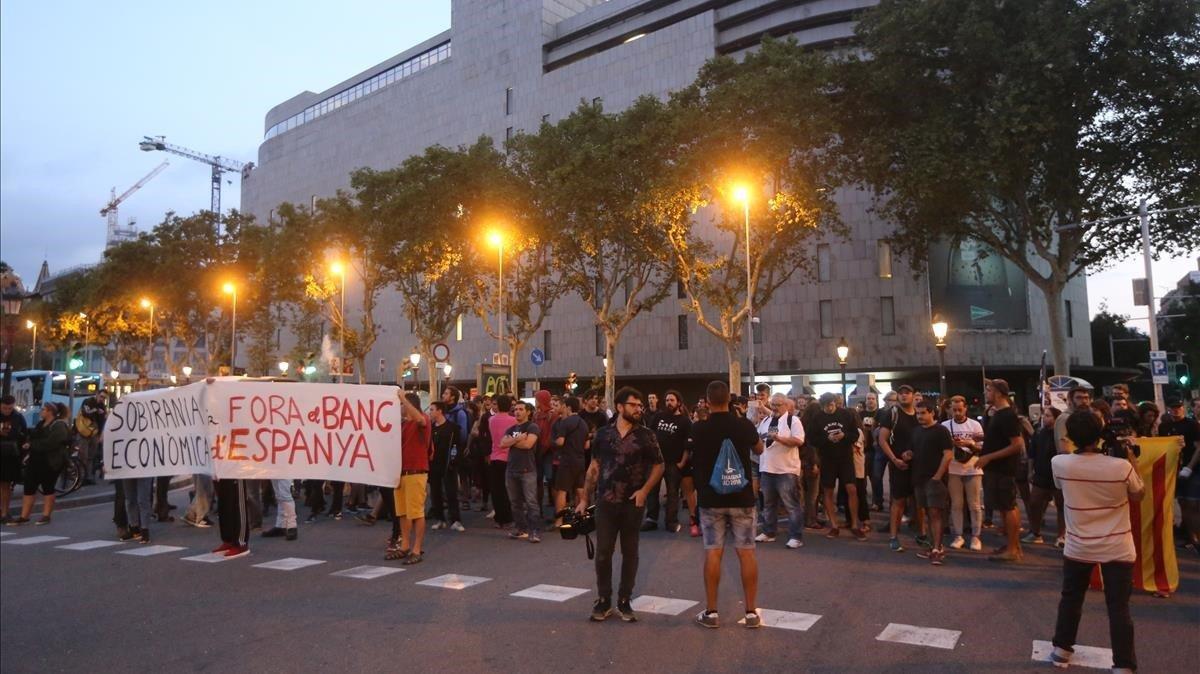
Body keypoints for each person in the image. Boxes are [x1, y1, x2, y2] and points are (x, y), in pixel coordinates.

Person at [1048, 410, 1143, 673]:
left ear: (1071, 436)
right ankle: (1123, 665)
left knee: (1071, 598)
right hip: (1118, 546)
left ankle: (1061, 650)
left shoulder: (1060, 463)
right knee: (1118, 607)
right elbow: (1139, 495)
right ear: (1100, 435)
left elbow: (1060, 486)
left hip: (1078, 544)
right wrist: (1130, 456)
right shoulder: (1121, 467)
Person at [578, 387, 663, 623]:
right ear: (619, 407)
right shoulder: (603, 435)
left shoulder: (647, 435)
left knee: (630, 552)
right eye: (633, 405)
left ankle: (625, 599)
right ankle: (604, 599)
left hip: (632, 503)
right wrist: (585, 498)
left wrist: (644, 491)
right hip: (605, 502)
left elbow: (659, 465)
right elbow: (594, 467)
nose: (638, 409)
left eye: (640, 405)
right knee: (603, 552)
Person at [691, 380, 765, 629]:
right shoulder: (742, 424)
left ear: (707, 401)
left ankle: (711, 612)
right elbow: (760, 448)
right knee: (746, 551)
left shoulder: (700, 428)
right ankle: (751, 612)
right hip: (742, 496)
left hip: (711, 499)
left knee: (713, 551)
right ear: (730, 401)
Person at [978, 379, 1026, 563]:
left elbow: (1016, 444)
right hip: (996, 469)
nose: (986, 393)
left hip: (1003, 469)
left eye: (988, 390)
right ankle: (1012, 546)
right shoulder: (998, 414)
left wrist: (988, 457)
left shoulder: (1007, 415)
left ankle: (1013, 549)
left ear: (998, 393)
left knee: (1008, 507)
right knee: (1005, 507)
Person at [808, 392, 866, 541]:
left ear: (835, 403)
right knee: (828, 491)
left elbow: (855, 434)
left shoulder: (845, 415)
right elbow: (812, 439)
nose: (830, 408)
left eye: (832, 405)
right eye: (827, 406)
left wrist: (844, 436)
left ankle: (854, 524)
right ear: (822, 406)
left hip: (845, 457)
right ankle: (834, 525)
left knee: (851, 489)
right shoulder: (818, 418)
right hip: (827, 458)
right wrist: (826, 438)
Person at [755, 393, 806, 549]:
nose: (775, 408)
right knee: (769, 504)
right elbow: (758, 439)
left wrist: (778, 438)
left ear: (786, 406)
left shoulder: (793, 421)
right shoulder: (766, 420)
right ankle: (769, 532)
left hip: (786, 470)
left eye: (778, 405)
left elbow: (799, 441)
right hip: (767, 468)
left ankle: (796, 536)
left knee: (791, 504)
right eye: (773, 404)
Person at [7, 402, 68, 527]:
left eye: (43, 409)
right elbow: (33, 436)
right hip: (35, 460)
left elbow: (52, 442)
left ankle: (46, 515)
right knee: (29, 487)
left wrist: (33, 444)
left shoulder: (59, 425)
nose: (41, 411)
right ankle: (24, 516)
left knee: (48, 487)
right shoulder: (41, 424)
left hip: (50, 461)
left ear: (50, 411)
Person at [388, 391, 431, 564]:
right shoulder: (403, 425)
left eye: (401, 406)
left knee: (417, 513)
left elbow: (419, 420)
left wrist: (403, 399)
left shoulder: (422, 419)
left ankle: (416, 548)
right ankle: (405, 545)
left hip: (416, 472)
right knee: (403, 513)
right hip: (401, 473)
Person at [909, 400, 954, 565]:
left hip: (934, 479)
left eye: (923, 413)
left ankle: (937, 549)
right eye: (917, 413)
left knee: (936, 513)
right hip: (919, 478)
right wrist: (908, 454)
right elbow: (914, 451)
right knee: (928, 513)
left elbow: (948, 455)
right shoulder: (916, 431)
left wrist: (937, 477)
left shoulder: (941, 431)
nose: (919, 416)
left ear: (932, 413)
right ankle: (933, 546)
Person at [879, 384, 920, 551]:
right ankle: (894, 536)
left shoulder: (920, 414)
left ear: (913, 395)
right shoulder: (892, 414)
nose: (903, 396)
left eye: (907, 393)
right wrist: (894, 459)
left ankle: (922, 533)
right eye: (901, 393)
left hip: (918, 464)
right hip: (899, 464)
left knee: (919, 501)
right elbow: (882, 440)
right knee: (898, 500)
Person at [942, 395, 985, 551]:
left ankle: (976, 536)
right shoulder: (945, 426)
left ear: (966, 408)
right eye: (954, 410)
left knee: (974, 505)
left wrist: (970, 444)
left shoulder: (975, 425)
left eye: (960, 409)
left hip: (973, 468)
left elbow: (982, 448)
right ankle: (958, 535)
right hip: (953, 468)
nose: (957, 413)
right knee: (956, 504)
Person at [645, 390, 692, 533]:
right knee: (652, 491)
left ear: (678, 402)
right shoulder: (659, 416)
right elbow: (650, 434)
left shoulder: (685, 421)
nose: (669, 403)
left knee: (672, 493)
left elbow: (688, 445)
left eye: (672, 400)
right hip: (657, 462)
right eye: (666, 400)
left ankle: (671, 521)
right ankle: (651, 519)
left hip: (674, 463)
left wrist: (682, 463)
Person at [1160, 398, 1199, 552]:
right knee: (1182, 503)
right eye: (1173, 407)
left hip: (1192, 469)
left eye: (1179, 407)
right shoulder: (1164, 427)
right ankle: (1190, 537)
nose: (1176, 410)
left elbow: (1199, 447)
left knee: (1193, 504)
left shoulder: (1192, 425)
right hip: (1172, 469)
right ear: (1168, 408)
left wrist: (1189, 467)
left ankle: (1196, 538)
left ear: (1183, 408)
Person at [1024, 406, 1064, 547]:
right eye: (1044, 415)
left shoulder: (1061, 435)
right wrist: (1030, 471)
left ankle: (1061, 535)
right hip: (1041, 475)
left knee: (1061, 507)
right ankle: (1035, 532)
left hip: (1058, 476)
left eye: (1048, 415)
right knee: (1034, 504)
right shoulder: (1039, 433)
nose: (1044, 418)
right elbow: (1032, 454)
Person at [503, 400, 542, 542]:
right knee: (515, 502)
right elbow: (502, 443)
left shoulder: (532, 427)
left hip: (527, 470)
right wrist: (518, 438)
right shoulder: (511, 429)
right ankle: (521, 529)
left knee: (531, 502)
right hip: (511, 469)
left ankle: (535, 531)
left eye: (520, 409)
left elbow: (528, 444)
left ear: (528, 412)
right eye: (515, 409)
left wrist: (512, 441)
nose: (517, 412)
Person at [552, 396, 589, 528]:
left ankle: (559, 521)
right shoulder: (584, 423)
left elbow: (560, 441)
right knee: (580, 490)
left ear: (568, 407)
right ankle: (581, 518)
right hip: (580, 460)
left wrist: (554, 442)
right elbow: (587, 445)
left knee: (562, 491)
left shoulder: (565, 423)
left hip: (567, 460)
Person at [427, 401, 465, 532]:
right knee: (435, 492)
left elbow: (457, 446)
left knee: (451, 492)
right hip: (433, 464)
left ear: (440, 411)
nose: (430, 412)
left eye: (432, 410)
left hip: (449, 464)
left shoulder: (453, 428)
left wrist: (454, 460)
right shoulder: (431, 428)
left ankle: (455, 520)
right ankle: (440, 519)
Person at [486, 395, 517, 530]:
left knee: (496, 488)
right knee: (509, 488)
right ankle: (509, 517)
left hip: (495, 456)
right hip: (509, 457)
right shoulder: (514, 420)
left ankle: (499, 518)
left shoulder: (491, 419)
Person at [0, 395, 30, 524]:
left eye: (10, 408)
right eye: (4, 408)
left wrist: (24, 446)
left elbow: (24, 434)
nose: (7, 410)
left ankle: (4, 512)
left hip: (10, 455)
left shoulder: (18, 417)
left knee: (6, 484)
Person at [75, 390, 107, 484]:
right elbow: (85, 412)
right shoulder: (88, 401)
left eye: (104, 398)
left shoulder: (102, 406)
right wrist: (96, 410)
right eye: (101, 396)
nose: (102, 399)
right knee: (83, 455)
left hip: (95, 433)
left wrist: (101, 434)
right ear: (97, 394)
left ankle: (88, 477)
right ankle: (81, 477)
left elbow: (102, 421)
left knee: (91, 456)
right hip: (84, 432)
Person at [1054, 387, 1092, 454]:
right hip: (1072, 461)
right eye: (1079, 398)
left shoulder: (1084, 417)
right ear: (1070, 400)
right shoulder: (1064, 418)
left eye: (1086, 398)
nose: (1084, 401)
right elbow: (1063, 448)